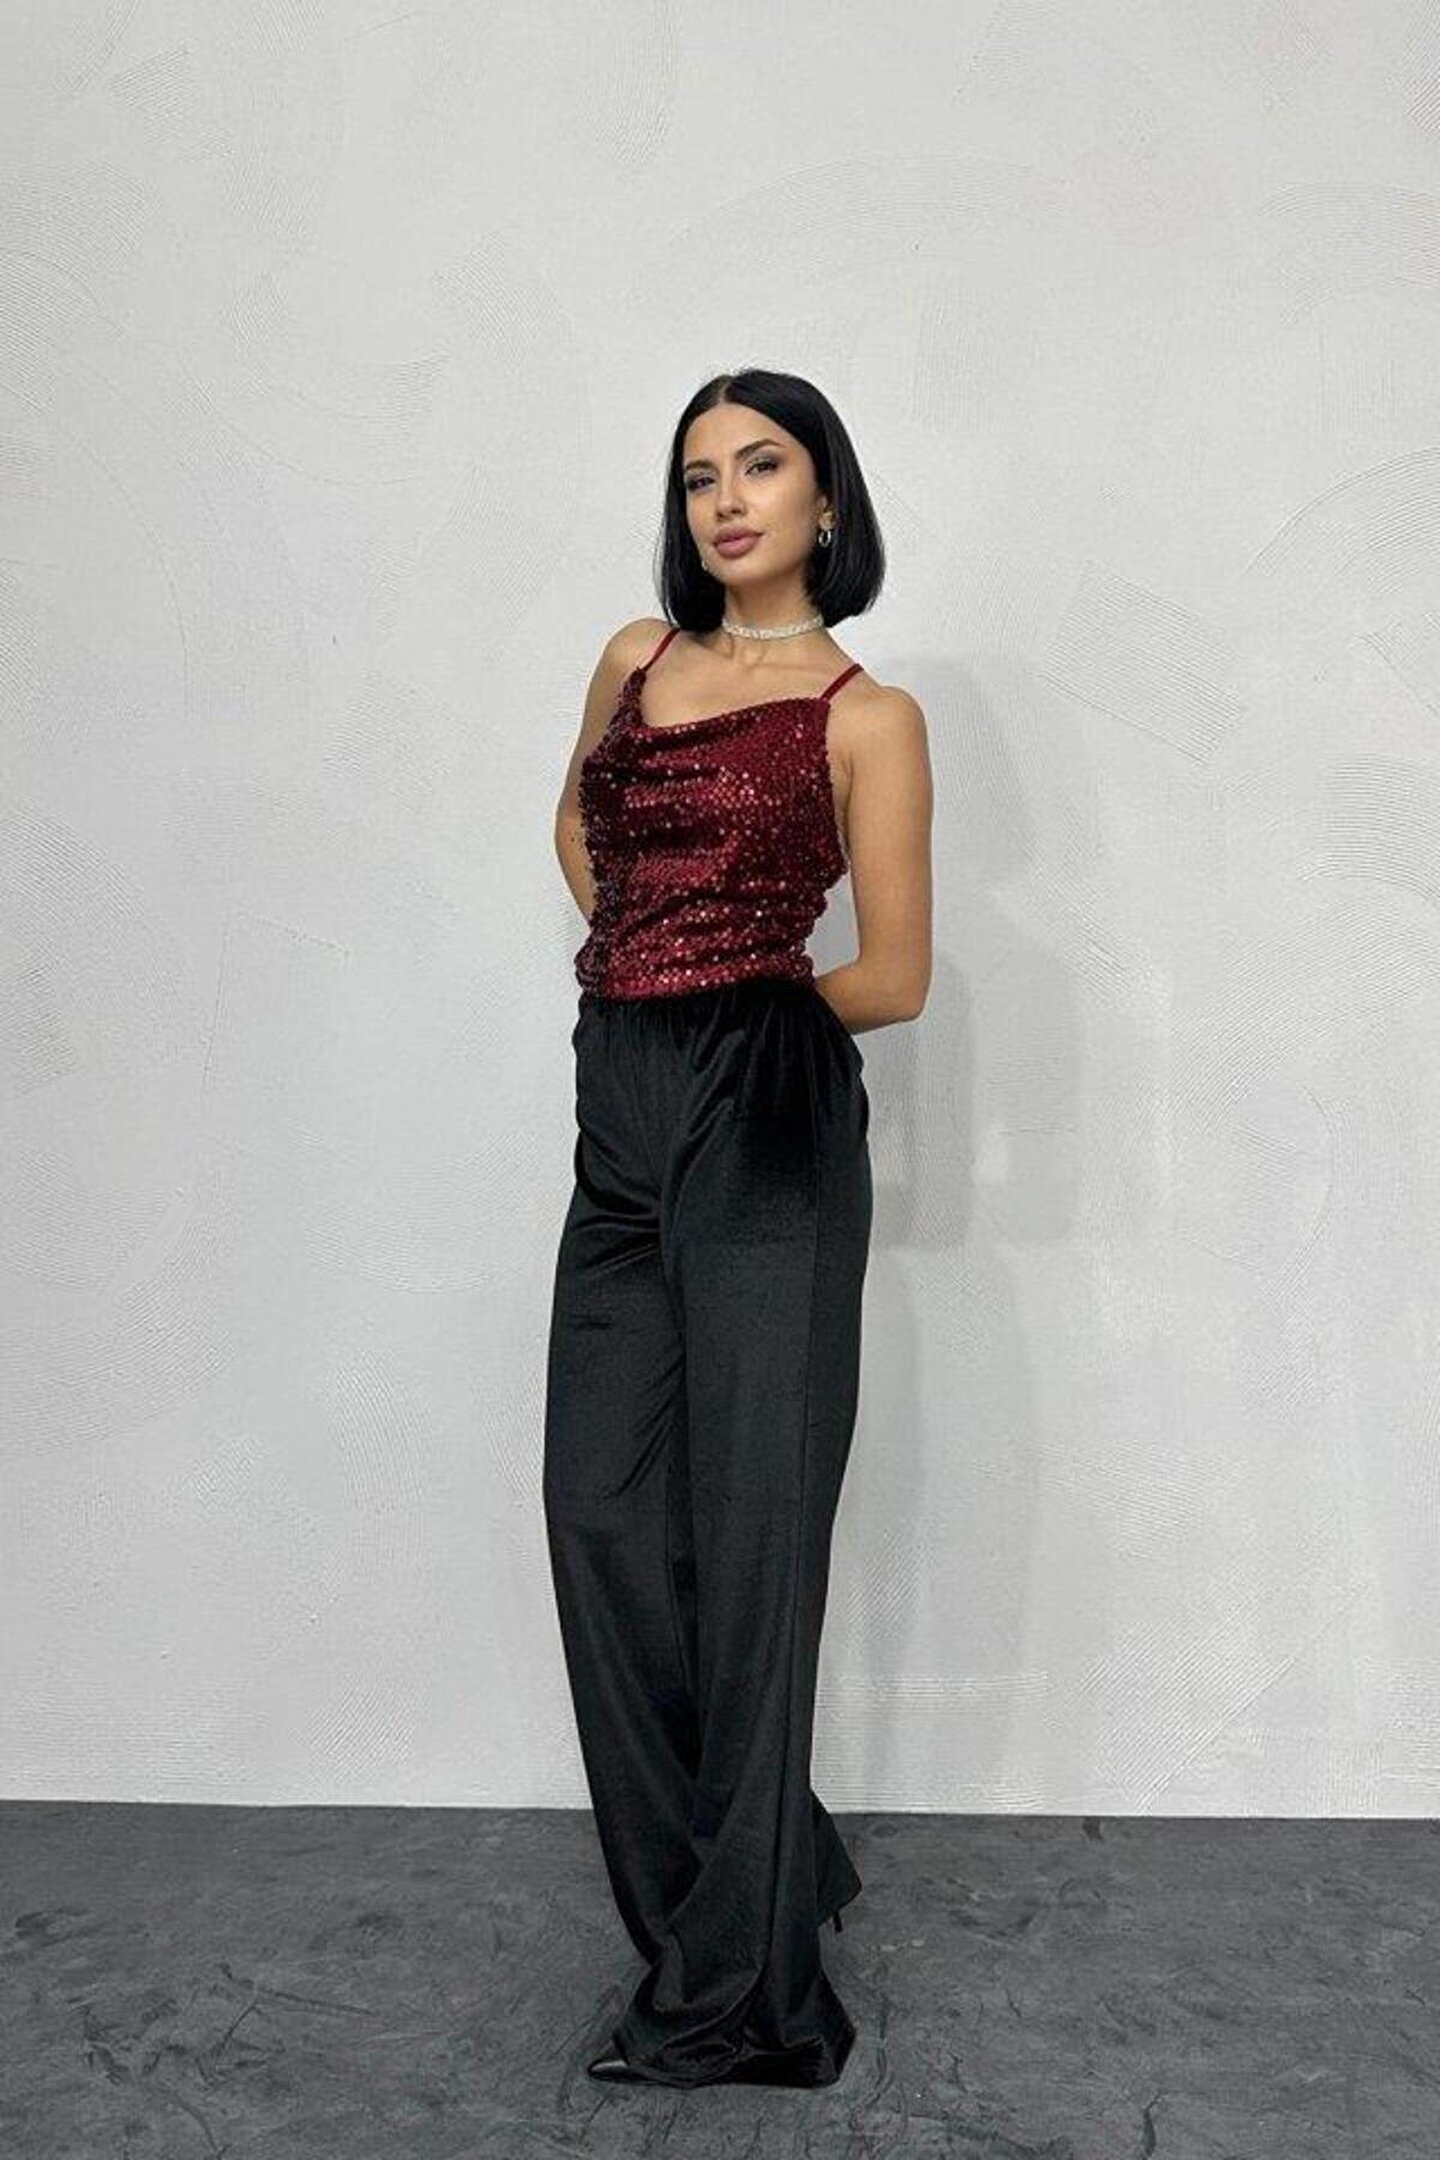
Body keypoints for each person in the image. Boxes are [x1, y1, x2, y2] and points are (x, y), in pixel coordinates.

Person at [545, 366, 932, 2089]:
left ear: (824, 499)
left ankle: (738, 1992)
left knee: (756, 1540)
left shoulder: (866, 713)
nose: (725, 499)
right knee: (603, 1515)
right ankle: (753, 1869)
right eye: (699, 473)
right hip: (620, 1111)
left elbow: (896, 976)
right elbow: (583, 830)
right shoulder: (635, 660)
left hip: (764, 1119)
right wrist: (652, 968)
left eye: (761, 467)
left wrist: (736, 1012)